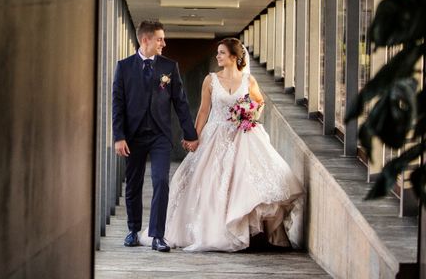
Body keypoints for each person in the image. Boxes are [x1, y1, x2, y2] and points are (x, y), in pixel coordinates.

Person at [162, 37, 304, 252]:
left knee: (243, 183)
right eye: (217, 53)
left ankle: (247, 232)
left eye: (222, 53)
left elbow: (260, 103)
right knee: (210, 183)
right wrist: (194, 136)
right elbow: (203, 111)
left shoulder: (249, 81)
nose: (217, 56)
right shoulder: (210, 80)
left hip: (243, 136)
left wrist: (250, 115)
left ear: (234, 57)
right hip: (215, 136)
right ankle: (212, 230)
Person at [112, 20, 199, 253]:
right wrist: (119, 136)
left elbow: (181, 103)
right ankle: (133, 230)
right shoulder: (124, 67)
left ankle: (157, 235)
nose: (164, 43)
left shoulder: (169, 67)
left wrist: (191, 135)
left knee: (161, 180)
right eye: (160, 39)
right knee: (133, 184)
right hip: (133, 137)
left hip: (160, 135)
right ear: (145, 40)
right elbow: (117, 105)